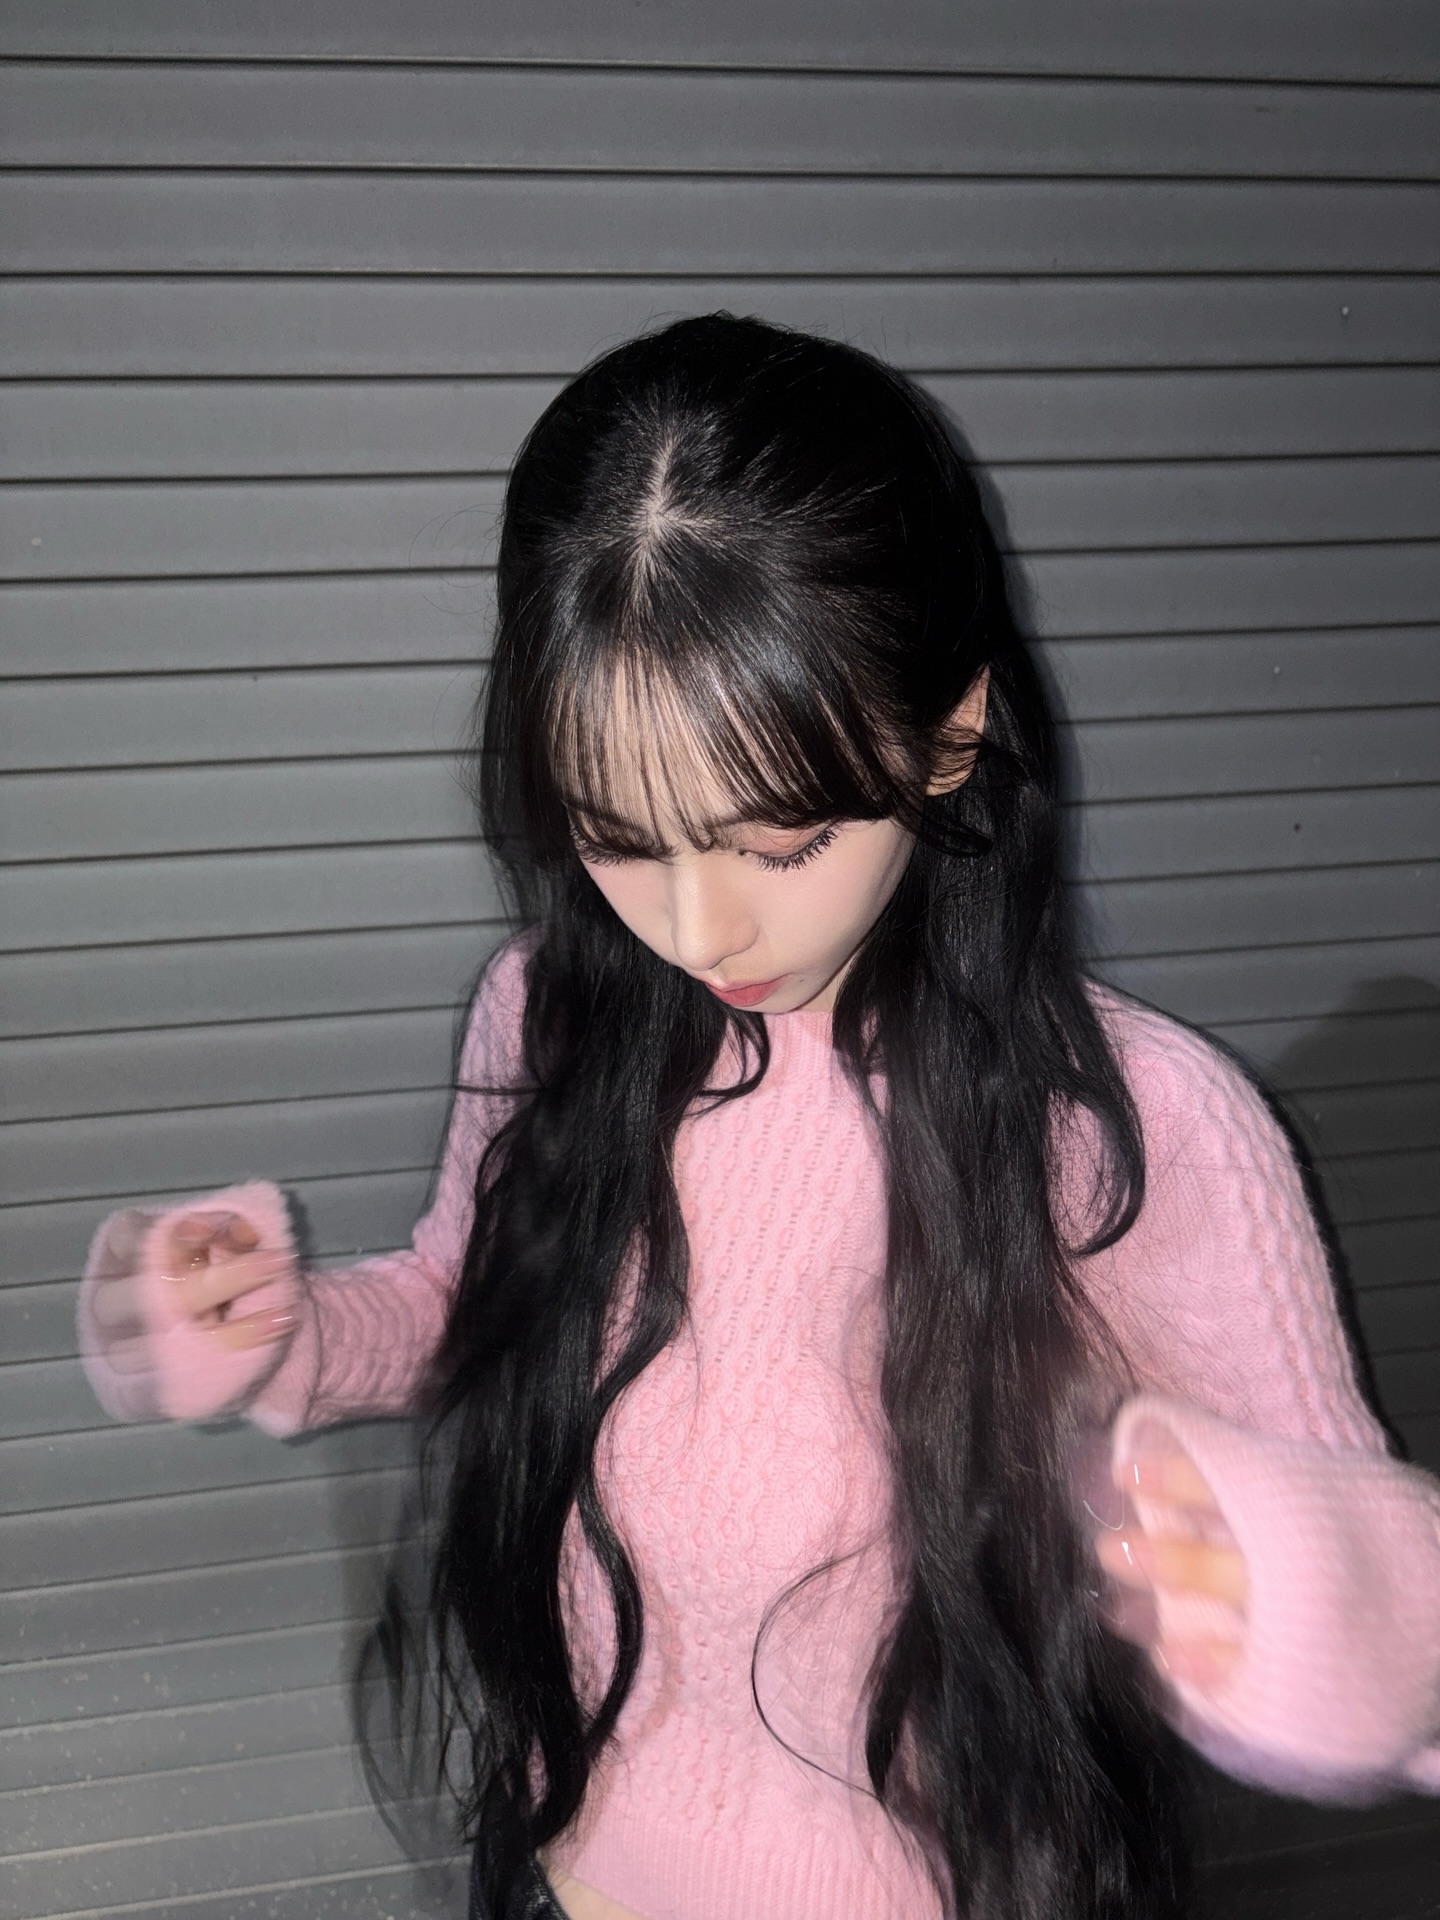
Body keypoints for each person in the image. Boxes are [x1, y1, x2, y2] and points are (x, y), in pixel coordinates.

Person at [78, 316, 1440, 1920]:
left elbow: (1399, 1612)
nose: (695, 926)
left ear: (948, 740)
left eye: (778, 842)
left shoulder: (1131, 1126)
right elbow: (470, 1309)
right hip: (580, 1868)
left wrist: (1307, 1602)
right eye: (615, 836)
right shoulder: (557, 1013)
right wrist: (281, 1330)